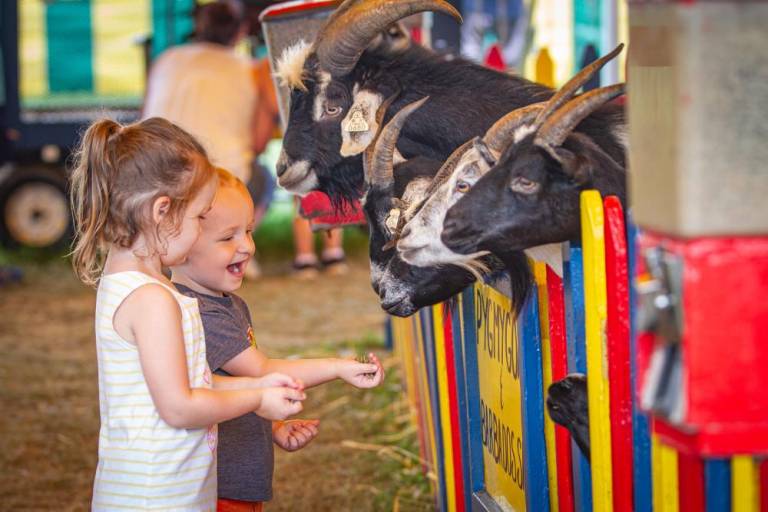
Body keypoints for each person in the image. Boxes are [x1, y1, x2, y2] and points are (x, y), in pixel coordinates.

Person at [68, 118, 306, 510]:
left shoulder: (126, 284)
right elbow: (180, 406)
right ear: (162, 211)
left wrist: (258, 389)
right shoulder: (153, 300)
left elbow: (192, 380)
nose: (199, 233)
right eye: (199, 218)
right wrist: (254, 399)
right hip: (158, 497)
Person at [171, 168, 386, 510]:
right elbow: (261, 371)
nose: (247, 247)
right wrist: (338, 367)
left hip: (237, 487)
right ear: (180, 246)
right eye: (228, 237)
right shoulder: (201, 312)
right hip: (219, 492)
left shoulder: (228, 303)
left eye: (249, 231)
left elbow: (233, 385)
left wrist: (271, 428)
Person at [143, 1, 278, 278]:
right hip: (219, 179)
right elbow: (258, 144)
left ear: (197, 26)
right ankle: (234, 252)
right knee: (263, 178)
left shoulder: (166, 60)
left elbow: (145, 115)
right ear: (241, 31)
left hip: (153, 174)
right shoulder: (252, 70)